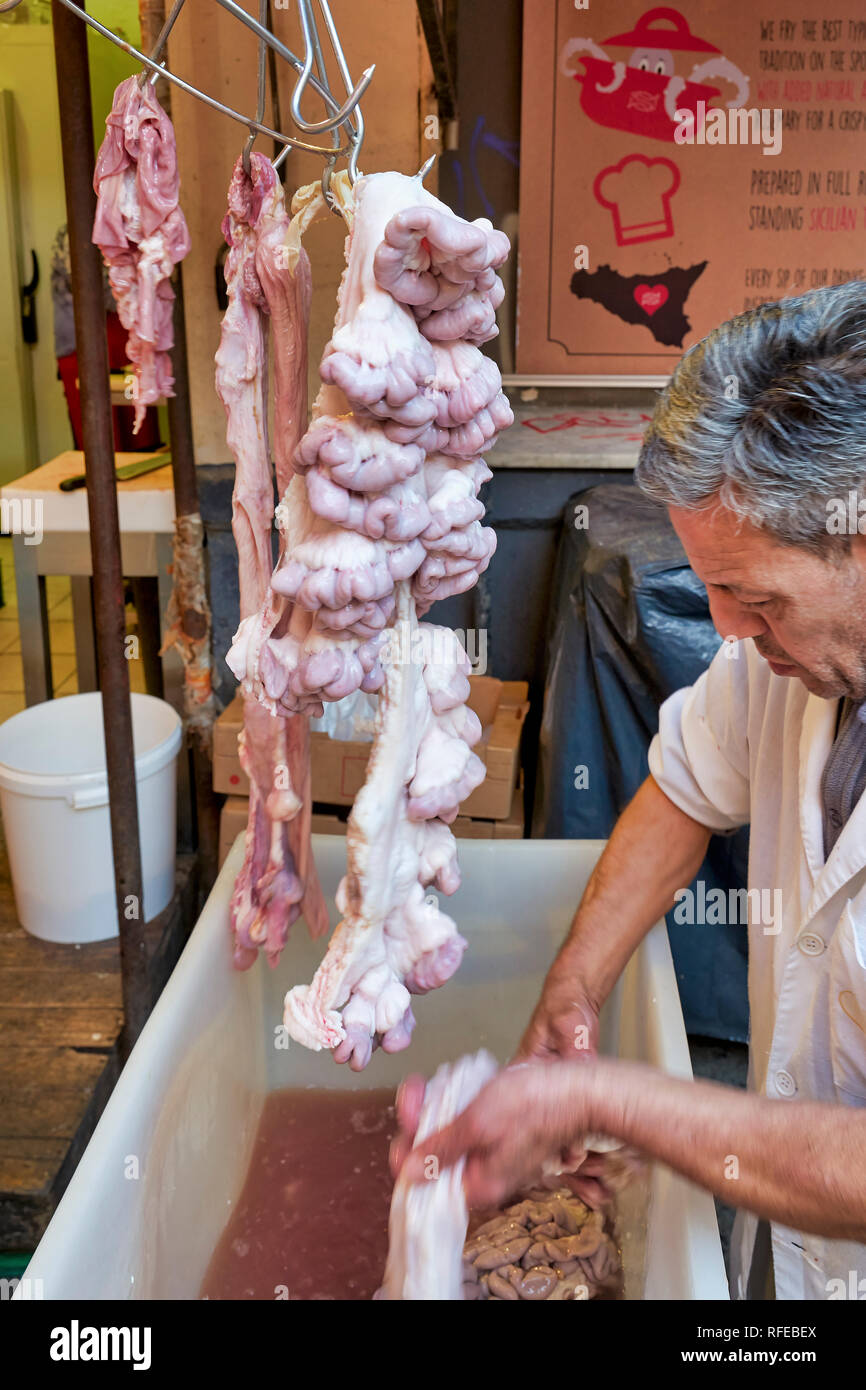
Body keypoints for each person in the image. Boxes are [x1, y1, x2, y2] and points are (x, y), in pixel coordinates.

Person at [393, 281, 866, 1301]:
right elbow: (682, 790)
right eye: (711, 589)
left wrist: (607, 1099)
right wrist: (569, 994)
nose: (724, 627)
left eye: (756, 596)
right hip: (789, 1260)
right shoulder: (780, 667)